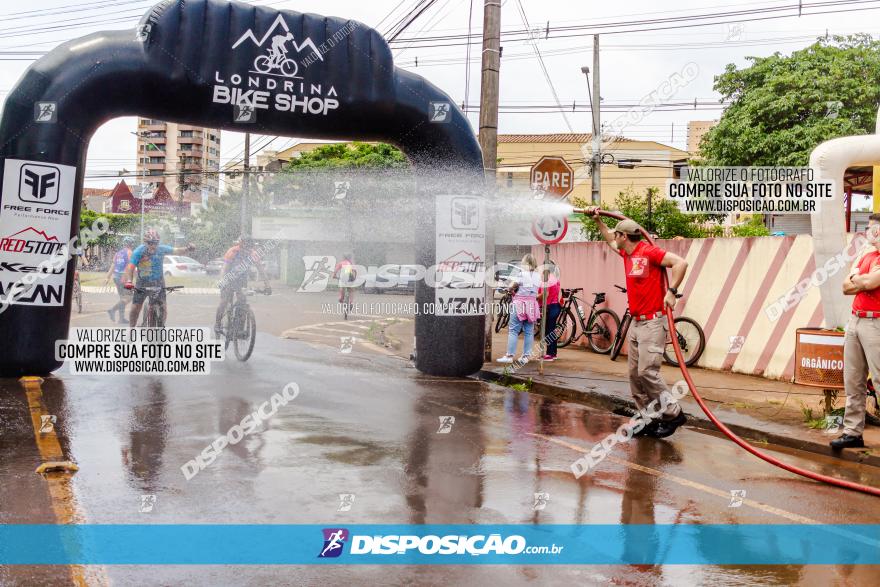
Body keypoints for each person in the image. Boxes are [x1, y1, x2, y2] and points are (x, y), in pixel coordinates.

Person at [587, 209, 690, 438]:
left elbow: (681, 263)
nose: (614, 237)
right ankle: (648, 419)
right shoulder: (627, 254)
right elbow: (608, 240)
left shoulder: (649, 252)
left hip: (653, 322)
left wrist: (672, 292)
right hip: (636, 322)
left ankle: (674, 413)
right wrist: (598, 221)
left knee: (647, 372)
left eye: (617, 235)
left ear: (624, 236)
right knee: (635, 375)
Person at [831, 213, 880, 450]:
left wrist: (858, 279)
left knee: (879, 381)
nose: (871, 233)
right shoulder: (866, 253)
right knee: (853, 381)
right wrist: (861, 279)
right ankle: (852, 432)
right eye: (869, 228)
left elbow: (870, 283)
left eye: (875, 228)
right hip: (856, 320)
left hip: (876, 323)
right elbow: (845, 286)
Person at [123, 230, 193, 327]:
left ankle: (161, 327)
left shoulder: (161, 249)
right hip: (142, 282)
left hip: (158, 282)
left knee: (163, 307)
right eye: (150, 243)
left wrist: (188, 249)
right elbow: (130, 268)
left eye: (155, 243)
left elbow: (177, 250)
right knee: (135, 307)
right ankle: (131, 330)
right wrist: (129, 281)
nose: (153, 246)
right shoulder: (139, 251)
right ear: (145, 242)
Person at [214, 236, 271, 335]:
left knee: (242, 302)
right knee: (224, 301)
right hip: (228, 278)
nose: (246, 250)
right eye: (244, 247)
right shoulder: (233, 251)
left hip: (241, 280)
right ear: (240, 245)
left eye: (249, 248)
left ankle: (239, 329)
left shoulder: (253, 254)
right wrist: (222, 281)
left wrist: (267, 285)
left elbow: (261, 270)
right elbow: (224, 268)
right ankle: (217, 324)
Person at [498, 253, 541, 364]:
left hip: (519, 304)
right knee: (529, 331)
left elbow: (511, 286)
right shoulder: (538, 276)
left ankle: (509, 356)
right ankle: (526, 356)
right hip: (532, 304)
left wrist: (511, 289)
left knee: (513, 330)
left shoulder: (521, 274)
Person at [104, 236, 135, 324]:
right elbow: (130, 266)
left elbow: (113, 266)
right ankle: (112, 310)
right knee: (129, 297)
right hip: (123, 277)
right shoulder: (130, 252)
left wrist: (107, 277)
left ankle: (121, 319)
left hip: (116, 277)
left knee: (122, 298)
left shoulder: (118, 253)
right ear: (131, 244)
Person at [538, 261, 562, 362]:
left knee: (548, 330)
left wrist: (534, 297)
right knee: (551, 329)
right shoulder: (555, 278)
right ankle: (553, 353)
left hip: (549, 307)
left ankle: (550, 354)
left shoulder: (547, 279)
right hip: (555, 305)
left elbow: (545, 294)